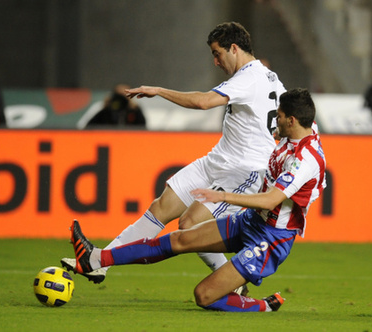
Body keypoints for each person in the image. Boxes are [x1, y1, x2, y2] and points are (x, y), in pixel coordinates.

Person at [61, 22, 286, 289]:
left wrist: (159, 91)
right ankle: (99, 262)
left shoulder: (250, 77)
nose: (215, 61)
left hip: (243, 171)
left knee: (189, 224)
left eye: (217, 53)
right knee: (161, 206)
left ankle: (231, 282)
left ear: (234, 48)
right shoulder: (267, 76)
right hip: (217, 160)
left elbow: (203, 102)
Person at [68, 88, 326, 312]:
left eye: (279, 117)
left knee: (203, 295)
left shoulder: (304, 160)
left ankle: (264, 306)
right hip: (250, 221)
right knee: (182, 237)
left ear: (292, 121)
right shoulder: (300, 129)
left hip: (271, 239)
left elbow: (271, 200)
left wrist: (222, 195)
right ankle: (96, 259)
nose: (275, 121)